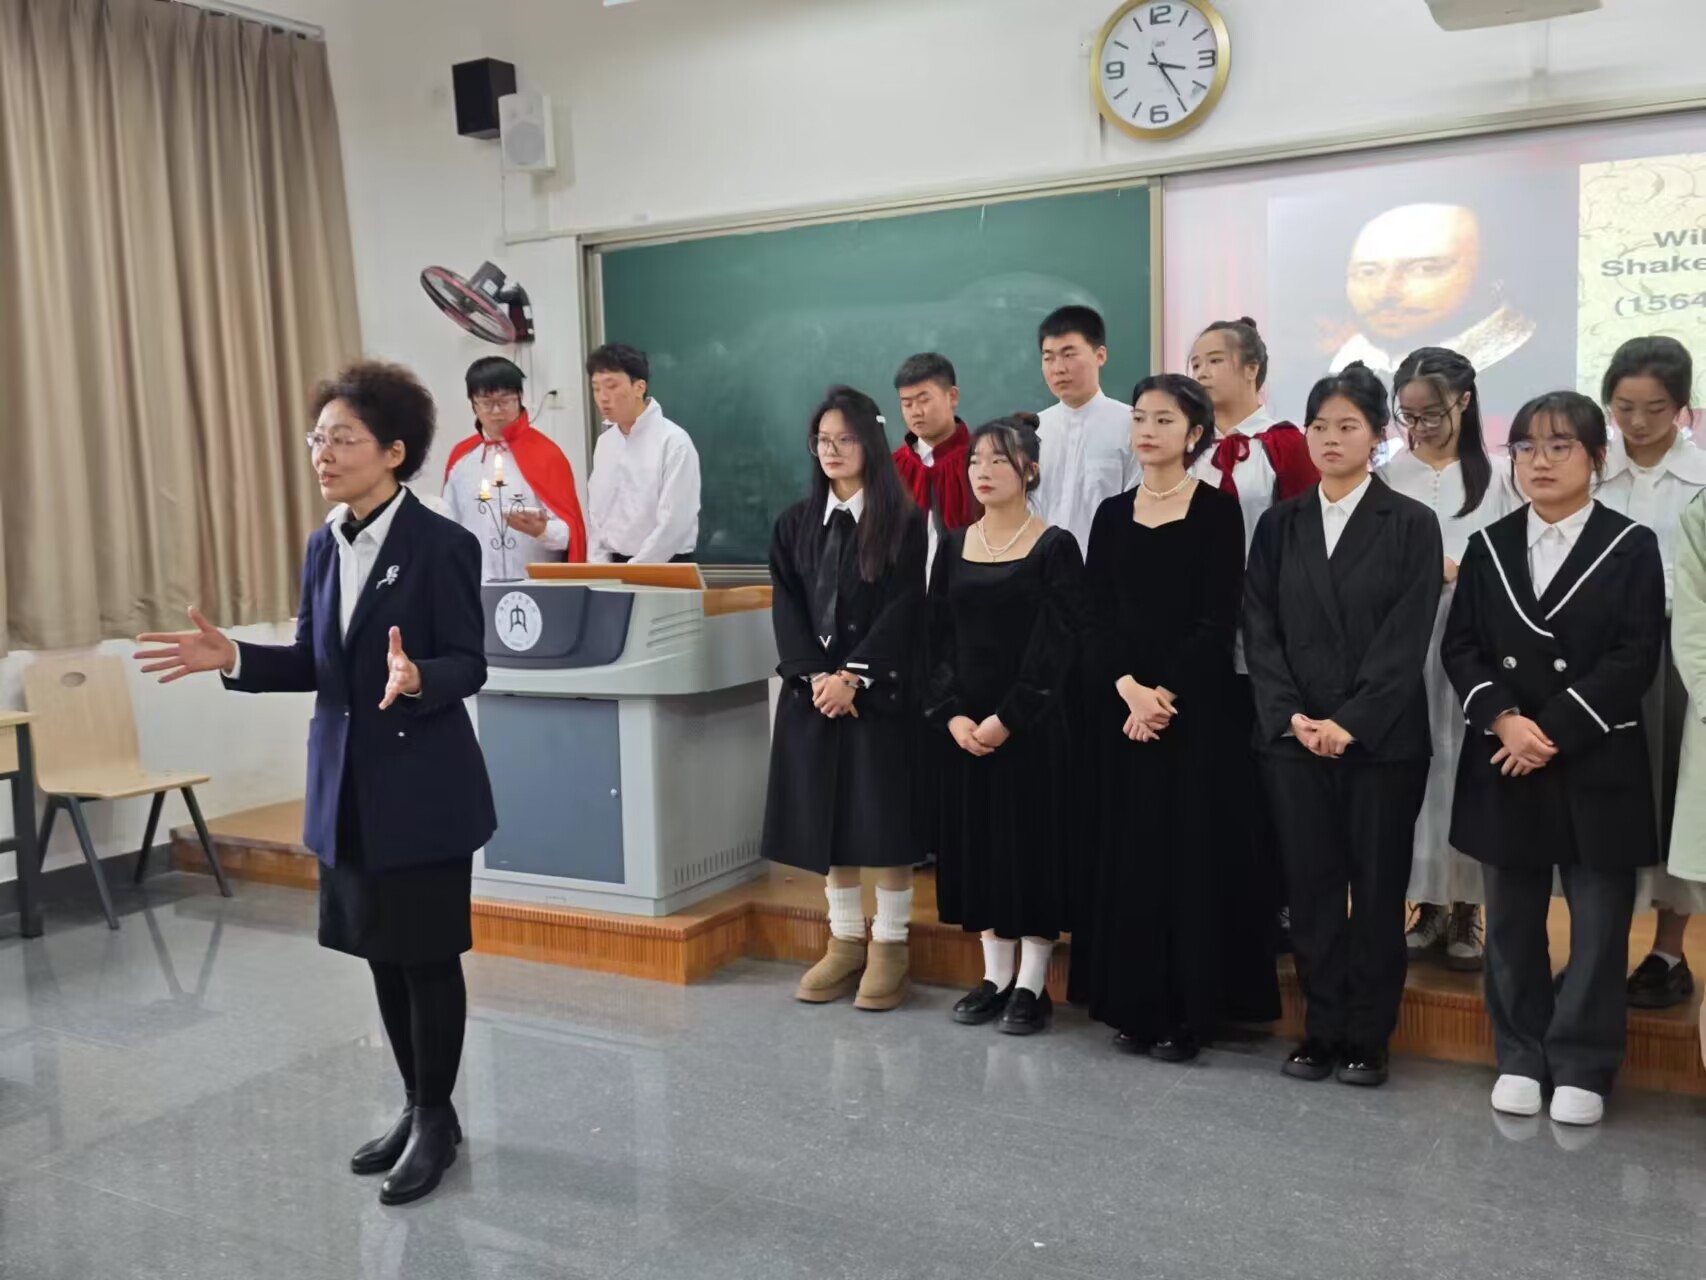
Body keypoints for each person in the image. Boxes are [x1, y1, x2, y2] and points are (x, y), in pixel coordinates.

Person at [134, 361, 494, 1204]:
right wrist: (234, 656)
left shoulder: (443, 544)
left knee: (427, 956)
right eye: (317, 438)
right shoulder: (322, 544)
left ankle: (435, 1119)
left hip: (424, 787)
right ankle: (420, 1106)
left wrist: (420, 678)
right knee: (381, 952)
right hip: (347, 788)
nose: (323, 455)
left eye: (343, 439)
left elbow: (470, 662)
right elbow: (313, 662)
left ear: (394, 452)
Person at [1441, 391, 1664, 1126]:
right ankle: (1519, 1053)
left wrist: (1553, 730)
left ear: (1597, 457)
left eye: (1560, 446)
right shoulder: (1488, 547)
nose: (1540, 461)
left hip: (1596, 760)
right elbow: (1462, 648)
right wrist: (1506, 722)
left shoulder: (1631, 545)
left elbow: (1635, 655)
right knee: (1511, 924)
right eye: (1526, 447)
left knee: (1599, 927)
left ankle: (1583, 1064)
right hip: (1506, 759)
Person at [1070, 374, 1281, 1060]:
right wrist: (1128, 690)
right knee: (1129, 855)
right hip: (1122, 711)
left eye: (1164, 420)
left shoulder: (1218, 511)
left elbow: (1216, 621)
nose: (1148, 430)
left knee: (1189, 858)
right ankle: (1133, 1004)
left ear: (1194, 434)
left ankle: (1191, 1012)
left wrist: (1161, 697)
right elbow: (1094, 617)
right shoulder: (1110, 514)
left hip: (1194, 715)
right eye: (1140, 418)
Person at [1243, 361, 1442, 1087]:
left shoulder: (1410, 522)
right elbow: (1259, 629)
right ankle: (1321, 1027)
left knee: (1378, 891)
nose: (1330, 438)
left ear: (1378, 435)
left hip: (1380, 742)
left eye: (1347, 426)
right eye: (1319, 426)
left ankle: (1369, 1035)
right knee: (1312, 890)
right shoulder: (1280, 523)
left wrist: (1349, 722)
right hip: (1294, 740)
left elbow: (1406, 637)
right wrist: (1293, 717)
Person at [762, 386, 927, 1011]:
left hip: (877, 694)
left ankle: (891, 944)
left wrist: (854, 676)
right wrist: (814, 679)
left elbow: (907, 606)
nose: (831, 451)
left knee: (882, 817)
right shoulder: (795, 523)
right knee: (827, 815)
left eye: (845, 439)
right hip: (814, 695)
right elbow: (787, 606)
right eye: (822, 440)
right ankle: (845, 939)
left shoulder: (904, 521)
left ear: (871, 444)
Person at [927, 414, 1084, 1036]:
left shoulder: (1056, 546)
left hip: (1032, 729)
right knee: (981, 851)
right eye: (975, 461)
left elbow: (1058, 648)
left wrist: (1007, 719)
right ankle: (994, 977)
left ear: (1030, 471)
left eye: (998, 460)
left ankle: (1032, 984)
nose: (983, 472)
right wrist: (953, 715)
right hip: (966, 732)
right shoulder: (952, 545)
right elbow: (936, 640)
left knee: (1032, 850)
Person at [1380, 348, 1520, 973]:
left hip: (1476, 642)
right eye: (1407, 416)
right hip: (1408, 640)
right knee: (1421, 764)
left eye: (1431, 414)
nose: (1419, 428)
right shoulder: (1389, 476)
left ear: (1465, 401)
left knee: (1469, 764)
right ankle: (1427, 901)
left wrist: (1463, 572)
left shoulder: (1501, 477)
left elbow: (1518, 558)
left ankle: (1469, 905)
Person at [1187, 315, 1319, 954]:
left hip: (1270, 630)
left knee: (1273, 776)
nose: (1202, 372)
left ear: (1251, 369)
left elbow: (1306, 540)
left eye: (1214, 360)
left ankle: (1282, 903)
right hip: (1201, 631)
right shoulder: (1187, 445)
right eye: (1194, 363)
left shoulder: (1286, 445)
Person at [1593, 337, 1706, 1010]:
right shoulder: (1591, 468)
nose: (1636, 423)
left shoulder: (1701, 478)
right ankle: (1597, 951)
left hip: (1675, 652)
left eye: (1655, 409)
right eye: (1623, 406)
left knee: (1673, 801)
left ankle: (1668, 951)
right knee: (1603, 801)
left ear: (1683, 406)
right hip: (1596, 655)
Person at [1330, 204, 1538, 394]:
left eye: (1425, 269)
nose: (1385, 293)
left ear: (1491, 274)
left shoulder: (1532, 366)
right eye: (1368, 272)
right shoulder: (1338, 366)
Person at [441, 356, 587, 580]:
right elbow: (447, 528)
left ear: (520, 397)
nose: (496, 411)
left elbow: (571, 536)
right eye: (486, 402)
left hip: (536, 585)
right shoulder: (461, 459)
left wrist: (542, 531)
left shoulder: (546, 455)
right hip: (477, 585)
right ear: (473, 404)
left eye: (505, 400)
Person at [1032, 305, 1137, 556]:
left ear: (1100, 356)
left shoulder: (1132, 425)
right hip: (1041, 568)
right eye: (1048, 358)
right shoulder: (1034, 429)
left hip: (1107, 565)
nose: (1058, 368)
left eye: (1069, 355)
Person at [585, 343, 702, 563]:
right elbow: (597, 515)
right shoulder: (605, 443)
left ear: (639, 387)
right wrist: (598, 566)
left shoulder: (674, 441)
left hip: (664, 565)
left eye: (611, 386)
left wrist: (636, 570)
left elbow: (675, 521)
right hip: (613, 565)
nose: (603, 397)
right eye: (596, 388)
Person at [892, 352, 981, 581]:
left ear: (952, 397)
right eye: (907, 403)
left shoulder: (981, 460)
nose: (915, 412)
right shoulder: (892, 467)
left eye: (924, 400)